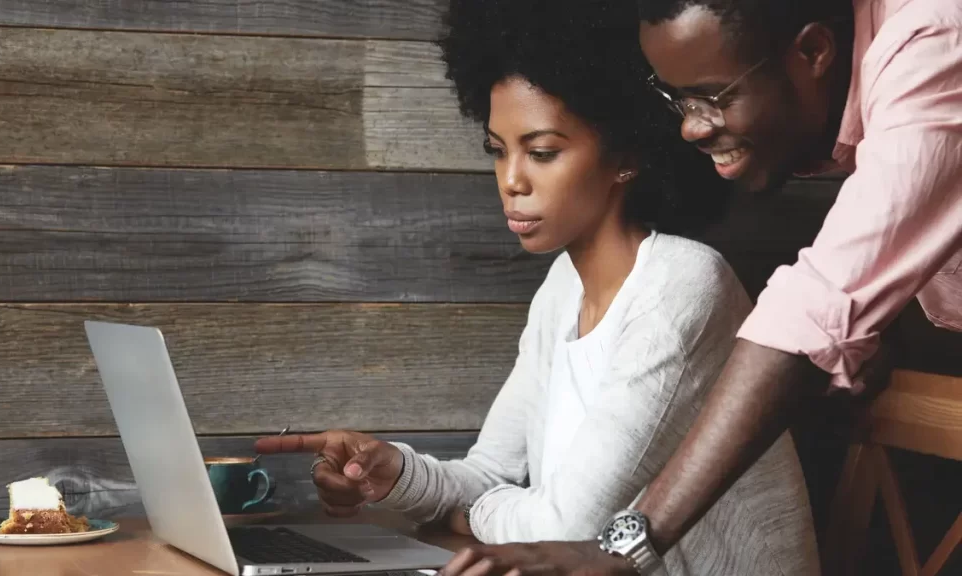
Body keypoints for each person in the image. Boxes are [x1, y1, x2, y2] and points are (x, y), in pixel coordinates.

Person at [256, 1, 821, 574]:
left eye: (542, 152)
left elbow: (562, 531)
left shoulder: (682, 285)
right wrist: (394, 473)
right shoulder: (562, 290)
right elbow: (488, 474)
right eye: (498, 151)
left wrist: (462, 514)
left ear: (626, 155)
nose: (511, 181)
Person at [440, 0, 961, 574]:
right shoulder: (561, 293)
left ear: (814, 52)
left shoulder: (933, 41)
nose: (689, 126)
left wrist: (624, 545)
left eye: (713, 95)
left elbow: (820, 297)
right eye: (675, 99)